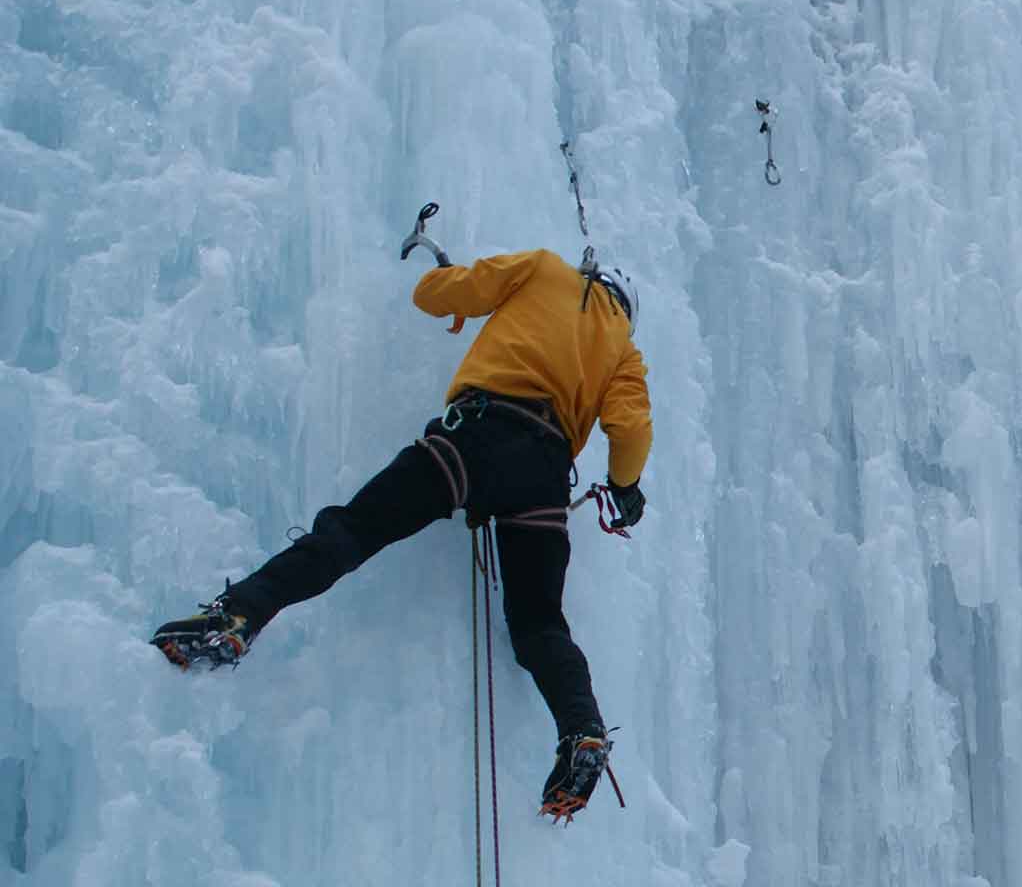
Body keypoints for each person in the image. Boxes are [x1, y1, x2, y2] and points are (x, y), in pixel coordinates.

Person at [149, 248, 651, 822]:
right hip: (541, 477)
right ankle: (582, 730)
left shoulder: (544, 269)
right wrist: (623, 487)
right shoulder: (624, 354)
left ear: (594, 274)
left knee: (354, 530)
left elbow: (437, 295)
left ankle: (237, 616)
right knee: (540, 625)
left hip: (478, 434)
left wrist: (445, 286)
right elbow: (631, 430)